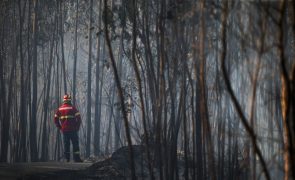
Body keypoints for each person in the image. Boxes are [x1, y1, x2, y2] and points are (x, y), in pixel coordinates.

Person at [54, 94, 83, 162]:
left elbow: (55, 119)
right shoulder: (73, 108)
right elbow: (79, 119)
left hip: (65, 130)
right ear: (70, 100)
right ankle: (77, 159)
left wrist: (60, 127)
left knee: (66, 144)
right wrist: (77, 127)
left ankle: (67, 159)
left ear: (64, 100)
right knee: (75, 144)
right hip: (73, 130)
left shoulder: (60, 109)